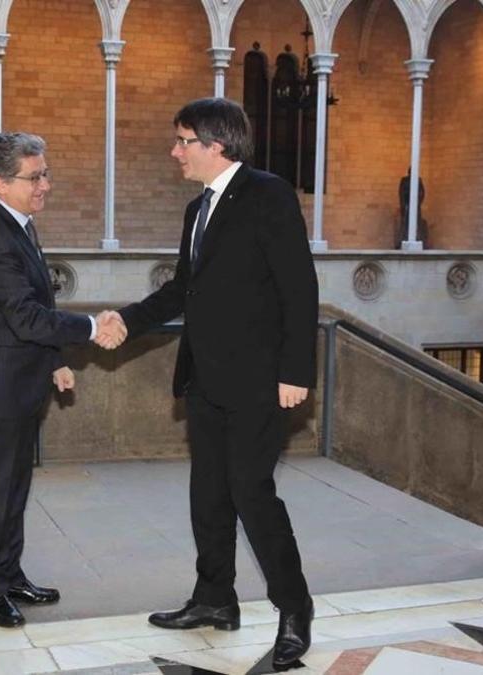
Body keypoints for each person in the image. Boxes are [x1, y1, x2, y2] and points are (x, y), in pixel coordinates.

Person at [98, 98, 318, 667]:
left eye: (182, 141)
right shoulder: (198, 209)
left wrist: (296, 371)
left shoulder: (268, 194)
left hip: (260, 381)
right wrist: (127, 317)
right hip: (206, 378)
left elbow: (298, 286)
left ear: (215, 145)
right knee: (208, 497)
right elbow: (182, 289)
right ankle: (215, 598)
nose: (175, 152)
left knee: (252, 493)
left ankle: (295, 611)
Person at [0, 132, 124, 628]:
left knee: (15, 489)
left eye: (45, 172)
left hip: (18, 381)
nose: (45, 184)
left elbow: (32, 305)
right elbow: (25, 315)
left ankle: (11, 574)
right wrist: (92, 327)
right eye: (35, 176)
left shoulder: (18, 223)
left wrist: (54, 361)